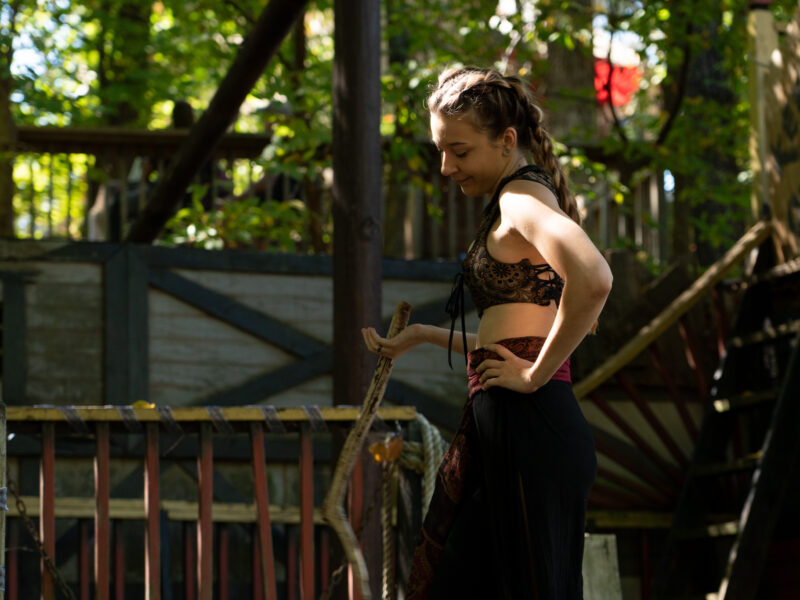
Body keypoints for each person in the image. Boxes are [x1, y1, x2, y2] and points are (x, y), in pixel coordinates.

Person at [361, 66, 613, 599]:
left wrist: (533, 376)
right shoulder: (518, 198)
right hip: (511, 427)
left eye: (460, 150)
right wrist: (428, 335)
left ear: (506, 140)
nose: (447, 166)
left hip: (530, 427)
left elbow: (593, 280)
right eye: (440, 150)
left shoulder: (520, 201)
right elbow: (518, 339)